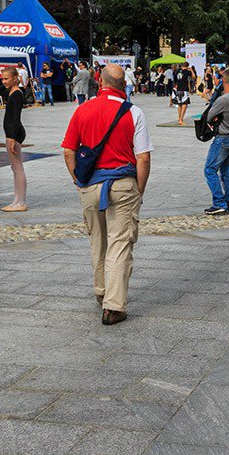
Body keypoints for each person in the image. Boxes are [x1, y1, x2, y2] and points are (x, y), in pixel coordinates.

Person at [62, 63, 152, 324]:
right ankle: (113, 306)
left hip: (91, 184)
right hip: (123, 184)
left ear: (99, 82)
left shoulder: (83, 109)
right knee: (120, 243)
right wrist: (139, 190)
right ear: (123, 85)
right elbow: (143, 158)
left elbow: (68, 150)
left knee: (98, 241)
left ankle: (102, 291)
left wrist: (79, 180)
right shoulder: (134, 112)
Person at [203, 68, 229, 215]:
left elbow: (209, 116)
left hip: (222, 138)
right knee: (227, 172)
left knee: (209, 169)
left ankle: (219, 202)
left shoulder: (223, 99)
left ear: (223, 81)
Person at [0, 66, 28, 212]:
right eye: (2, 78)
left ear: (15, 78)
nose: (3, 81)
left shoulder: (16, 94)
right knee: (15, 168)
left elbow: (15, 118)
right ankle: (17, 200)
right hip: (12, 133)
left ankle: (20, 201)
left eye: (6, 78)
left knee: (18, 168)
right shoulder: (10, 91)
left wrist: (11, 138)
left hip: (14, 133)